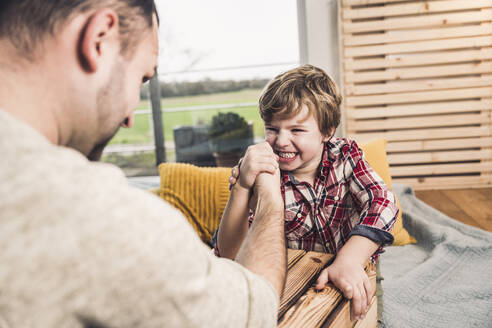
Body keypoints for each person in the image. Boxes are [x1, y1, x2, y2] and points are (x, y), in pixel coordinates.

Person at [0, 1, 286, 327]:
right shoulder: (101, 216)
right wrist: (270, 197)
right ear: (99, 39)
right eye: (140, 79)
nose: (129, 117)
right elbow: (254, 311)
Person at [214, 64, 399, 321]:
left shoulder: (345, 157)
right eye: (272, 128)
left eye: (296, 130)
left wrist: (349, 259)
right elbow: (229, 254)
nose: (280, 141)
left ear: (327, 131)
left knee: (365, 314)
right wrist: (242, 188)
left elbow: (382, 202)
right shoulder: (262, 171)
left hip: (351, 267)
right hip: (288, 276)